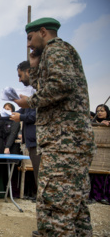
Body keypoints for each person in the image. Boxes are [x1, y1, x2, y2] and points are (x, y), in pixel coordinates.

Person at [15, 17, 96, 236]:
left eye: (30, 38)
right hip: (68, 142)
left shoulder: (55, 49)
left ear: (43, 32)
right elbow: (55, 84)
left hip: (64, 143)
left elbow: (61, 85)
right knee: (75, 207)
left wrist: (29, 102)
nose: (28, 44)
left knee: (56, 205)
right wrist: (35, 66)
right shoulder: (54, 53)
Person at [89, 104, 110, 205]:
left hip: (105, 155)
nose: (100, 112)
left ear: (107, 112)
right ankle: (91, 196)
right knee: (91, 176)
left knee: (104, 177)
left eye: (102, 110)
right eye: (98, 111)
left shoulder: (109, 122)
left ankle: (104, 197)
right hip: (93, 153)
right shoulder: (92, 123)